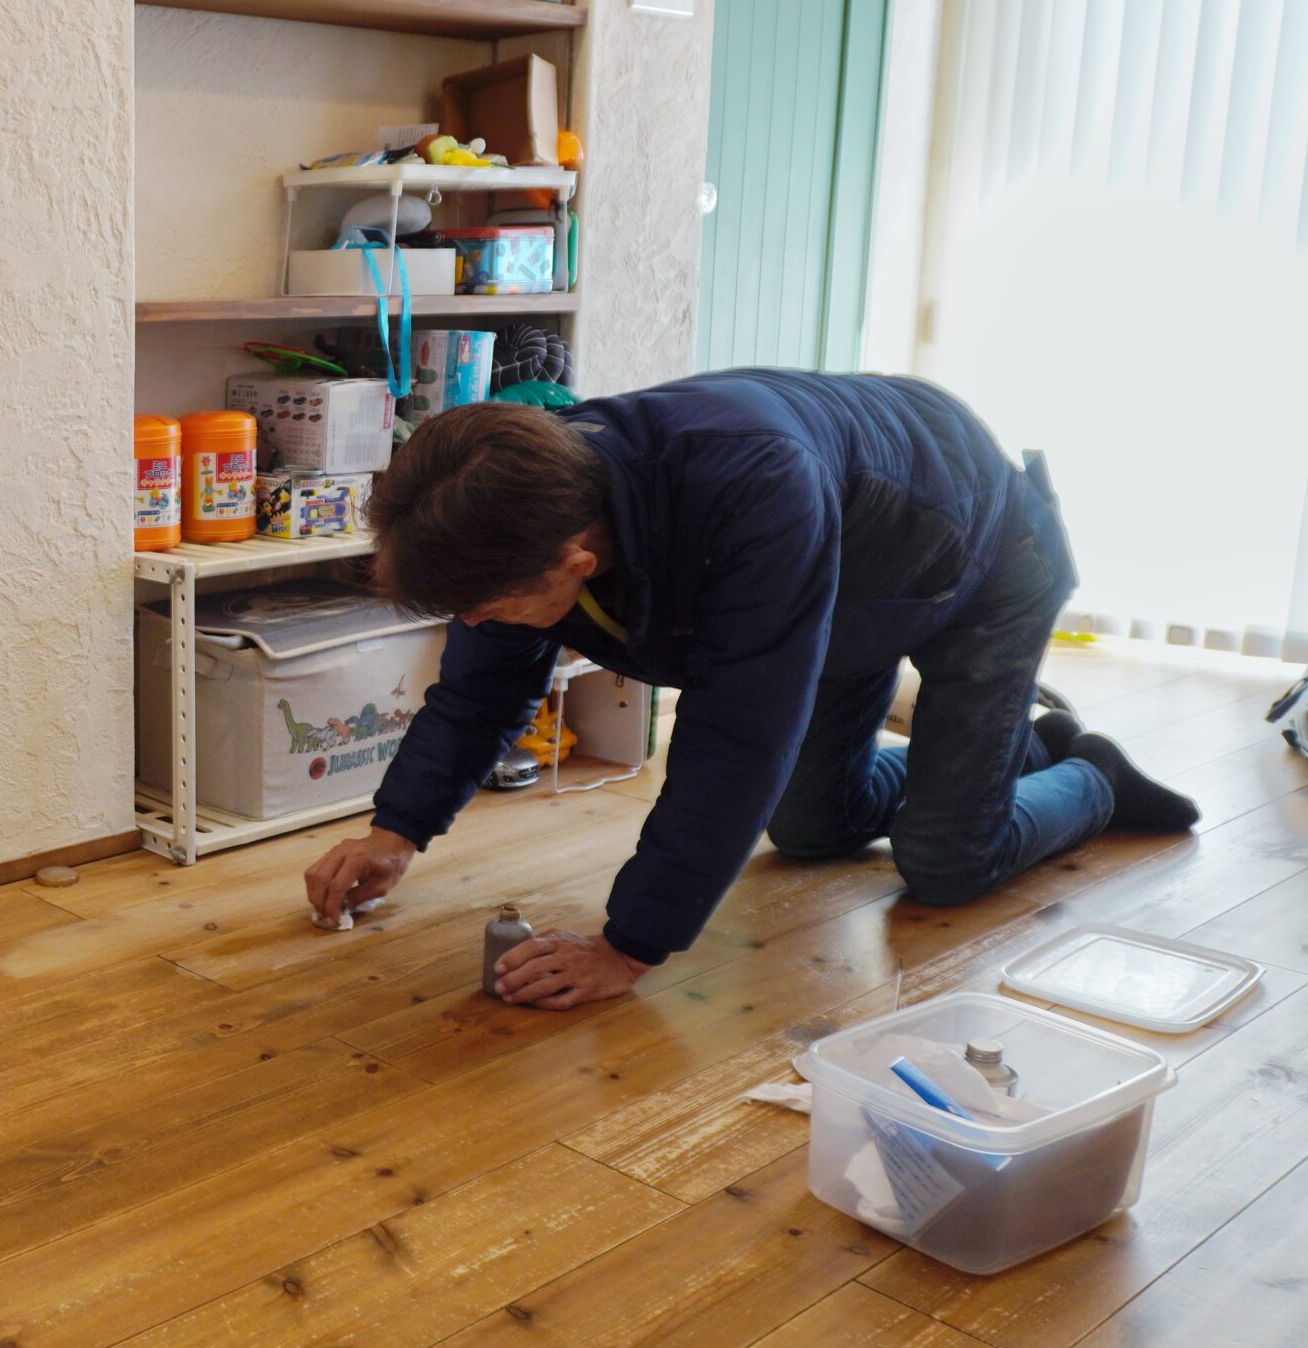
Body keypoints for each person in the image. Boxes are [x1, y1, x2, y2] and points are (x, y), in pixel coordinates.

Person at [305, 370, 1199, 1010]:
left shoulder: (752, 491)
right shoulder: (516, 508)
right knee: (812, 826)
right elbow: (476, 694)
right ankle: (1019, 748)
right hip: (845, 588)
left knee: (948, 861)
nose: (483, 623)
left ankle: (1095, 780)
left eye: (492, 608)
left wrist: (630, 946)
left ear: (573, 562)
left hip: (982, 553)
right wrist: (398, 833)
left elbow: (736, 736)